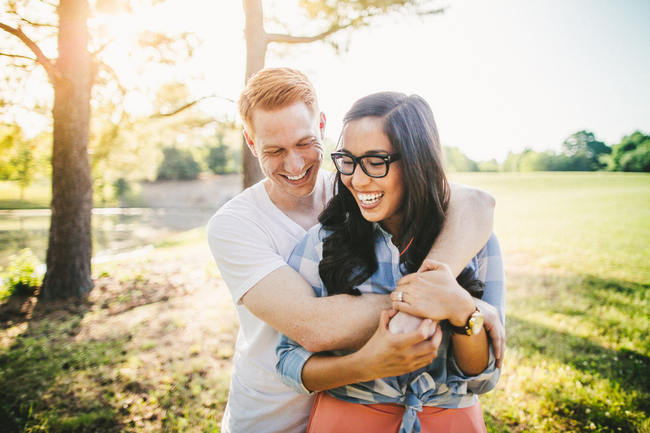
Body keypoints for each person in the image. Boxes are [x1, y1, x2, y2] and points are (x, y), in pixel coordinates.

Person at [207, 68, 504, 433]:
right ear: (252, 144)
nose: (296, 165)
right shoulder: (235, 225)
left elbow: (472, 202)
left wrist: (453, 296)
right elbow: (311, 327)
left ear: (322, 124)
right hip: (272, 415)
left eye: (304, 143)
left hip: (346, 408)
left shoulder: (354, 183)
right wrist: (452, 303)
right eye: (274, 150)